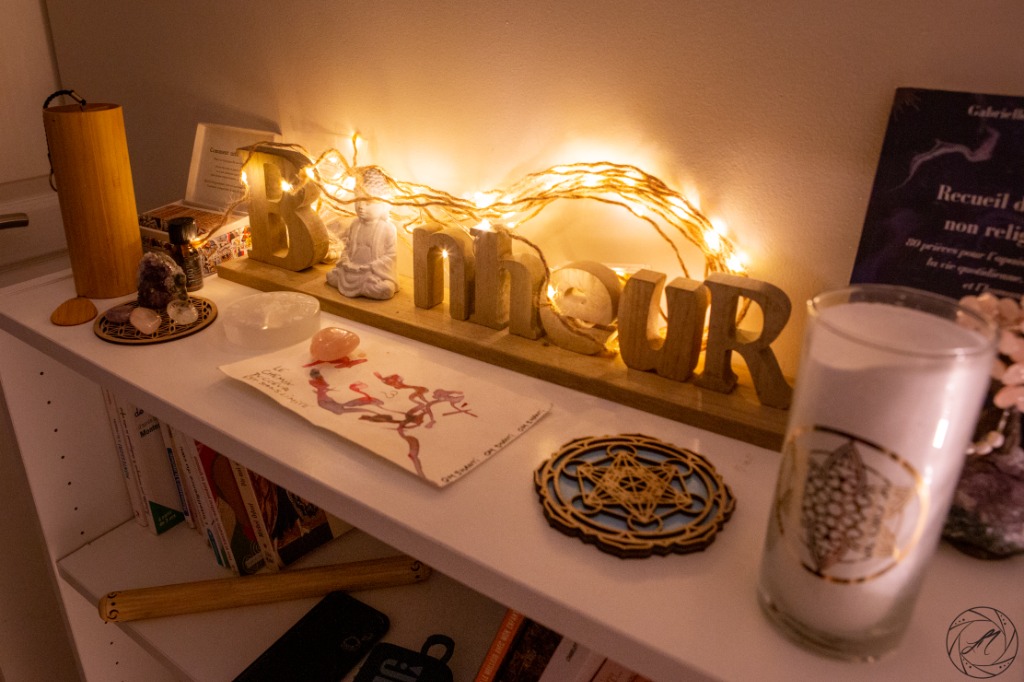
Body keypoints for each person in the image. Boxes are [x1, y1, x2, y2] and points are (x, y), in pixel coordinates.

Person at [326, 168, 399, 300]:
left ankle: (371, 286)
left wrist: (371, 266)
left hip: (372, 274)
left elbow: (391, 255)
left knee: (384, 289)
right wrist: (346, 261)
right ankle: (352, 282)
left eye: (368, 203)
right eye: (358, 201)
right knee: (332, 276)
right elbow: (347, 247)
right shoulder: (355, 224)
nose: (360, 207)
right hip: (351, 270)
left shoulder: (387, 228)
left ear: (384, 205)